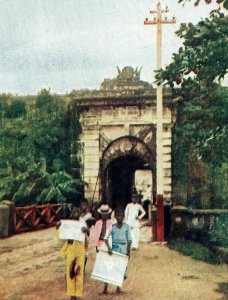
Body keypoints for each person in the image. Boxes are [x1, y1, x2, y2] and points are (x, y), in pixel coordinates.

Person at [56, 207, 89, 300]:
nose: (76, 213)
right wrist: (57, 227)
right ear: (71, 212)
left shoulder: (82, 223)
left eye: (78, 211)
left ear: (80, 213)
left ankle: (78, 294)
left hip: (80, 249)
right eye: (74, 211)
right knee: (70, 272)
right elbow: (60, 236)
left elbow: (88, 234)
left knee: (78, 272)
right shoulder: (67, 223)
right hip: (70, 248)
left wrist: (86, 230)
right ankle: (72, 294)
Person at [104, 206, 132, 294]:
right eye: (118, 216)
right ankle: (105, 288)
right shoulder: (112, 227)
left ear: (123, 217)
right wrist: (109, 247)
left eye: (121, 216)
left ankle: (118, 287)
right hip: (114, 249)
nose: (120, 217)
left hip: (123, 249)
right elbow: (105, 238)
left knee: (122, 269)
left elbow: (129, 240)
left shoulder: (127, 227)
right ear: (115, 217)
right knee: (110, 268)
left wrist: (128, 251)